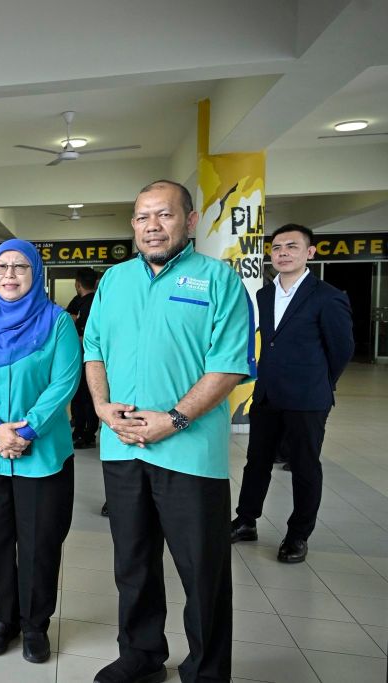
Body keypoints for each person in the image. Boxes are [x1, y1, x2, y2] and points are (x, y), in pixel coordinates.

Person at [83, 180, 253, 683]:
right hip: (122, 448)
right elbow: (93, 349)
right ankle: (141, 653)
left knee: (202, 572)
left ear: (190, 221)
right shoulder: (114, 281)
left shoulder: (218, 280)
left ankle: (205, 670)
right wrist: (100, 406)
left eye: (164, 215)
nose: (152, 227)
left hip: (189, 452)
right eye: (141, 218)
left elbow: (227, 366)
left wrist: (174, 419)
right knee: (132, 563)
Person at [0, 239, 81, 663]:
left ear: (37, 274)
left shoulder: (58, 322)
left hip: (42, 454)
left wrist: (25, 430)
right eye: (1, 267)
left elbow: (64, 381)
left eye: (20, 267)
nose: (9, 275)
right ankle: (2, 619)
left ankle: (35, 625)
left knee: (40, 542)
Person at [230, 224, 353, 563]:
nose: (283, 253)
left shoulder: (328, 296)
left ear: (309, 253)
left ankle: (298, 535)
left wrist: (321, 383)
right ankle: (246, 521)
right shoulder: (264, 294)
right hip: (268, 395)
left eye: (292, 247)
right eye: (277, 247)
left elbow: (342, 349)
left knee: (304, 467)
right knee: (256, 462)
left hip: (307, 399)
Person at [67, 267, 99, 449]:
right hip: (81, 358)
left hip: (88, 358)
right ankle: (80, 430)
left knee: (86, 396)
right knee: (79, 396)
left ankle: (87, 434)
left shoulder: (92, 303)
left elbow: (82, 332)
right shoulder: (80, 301)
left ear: (77, 284)